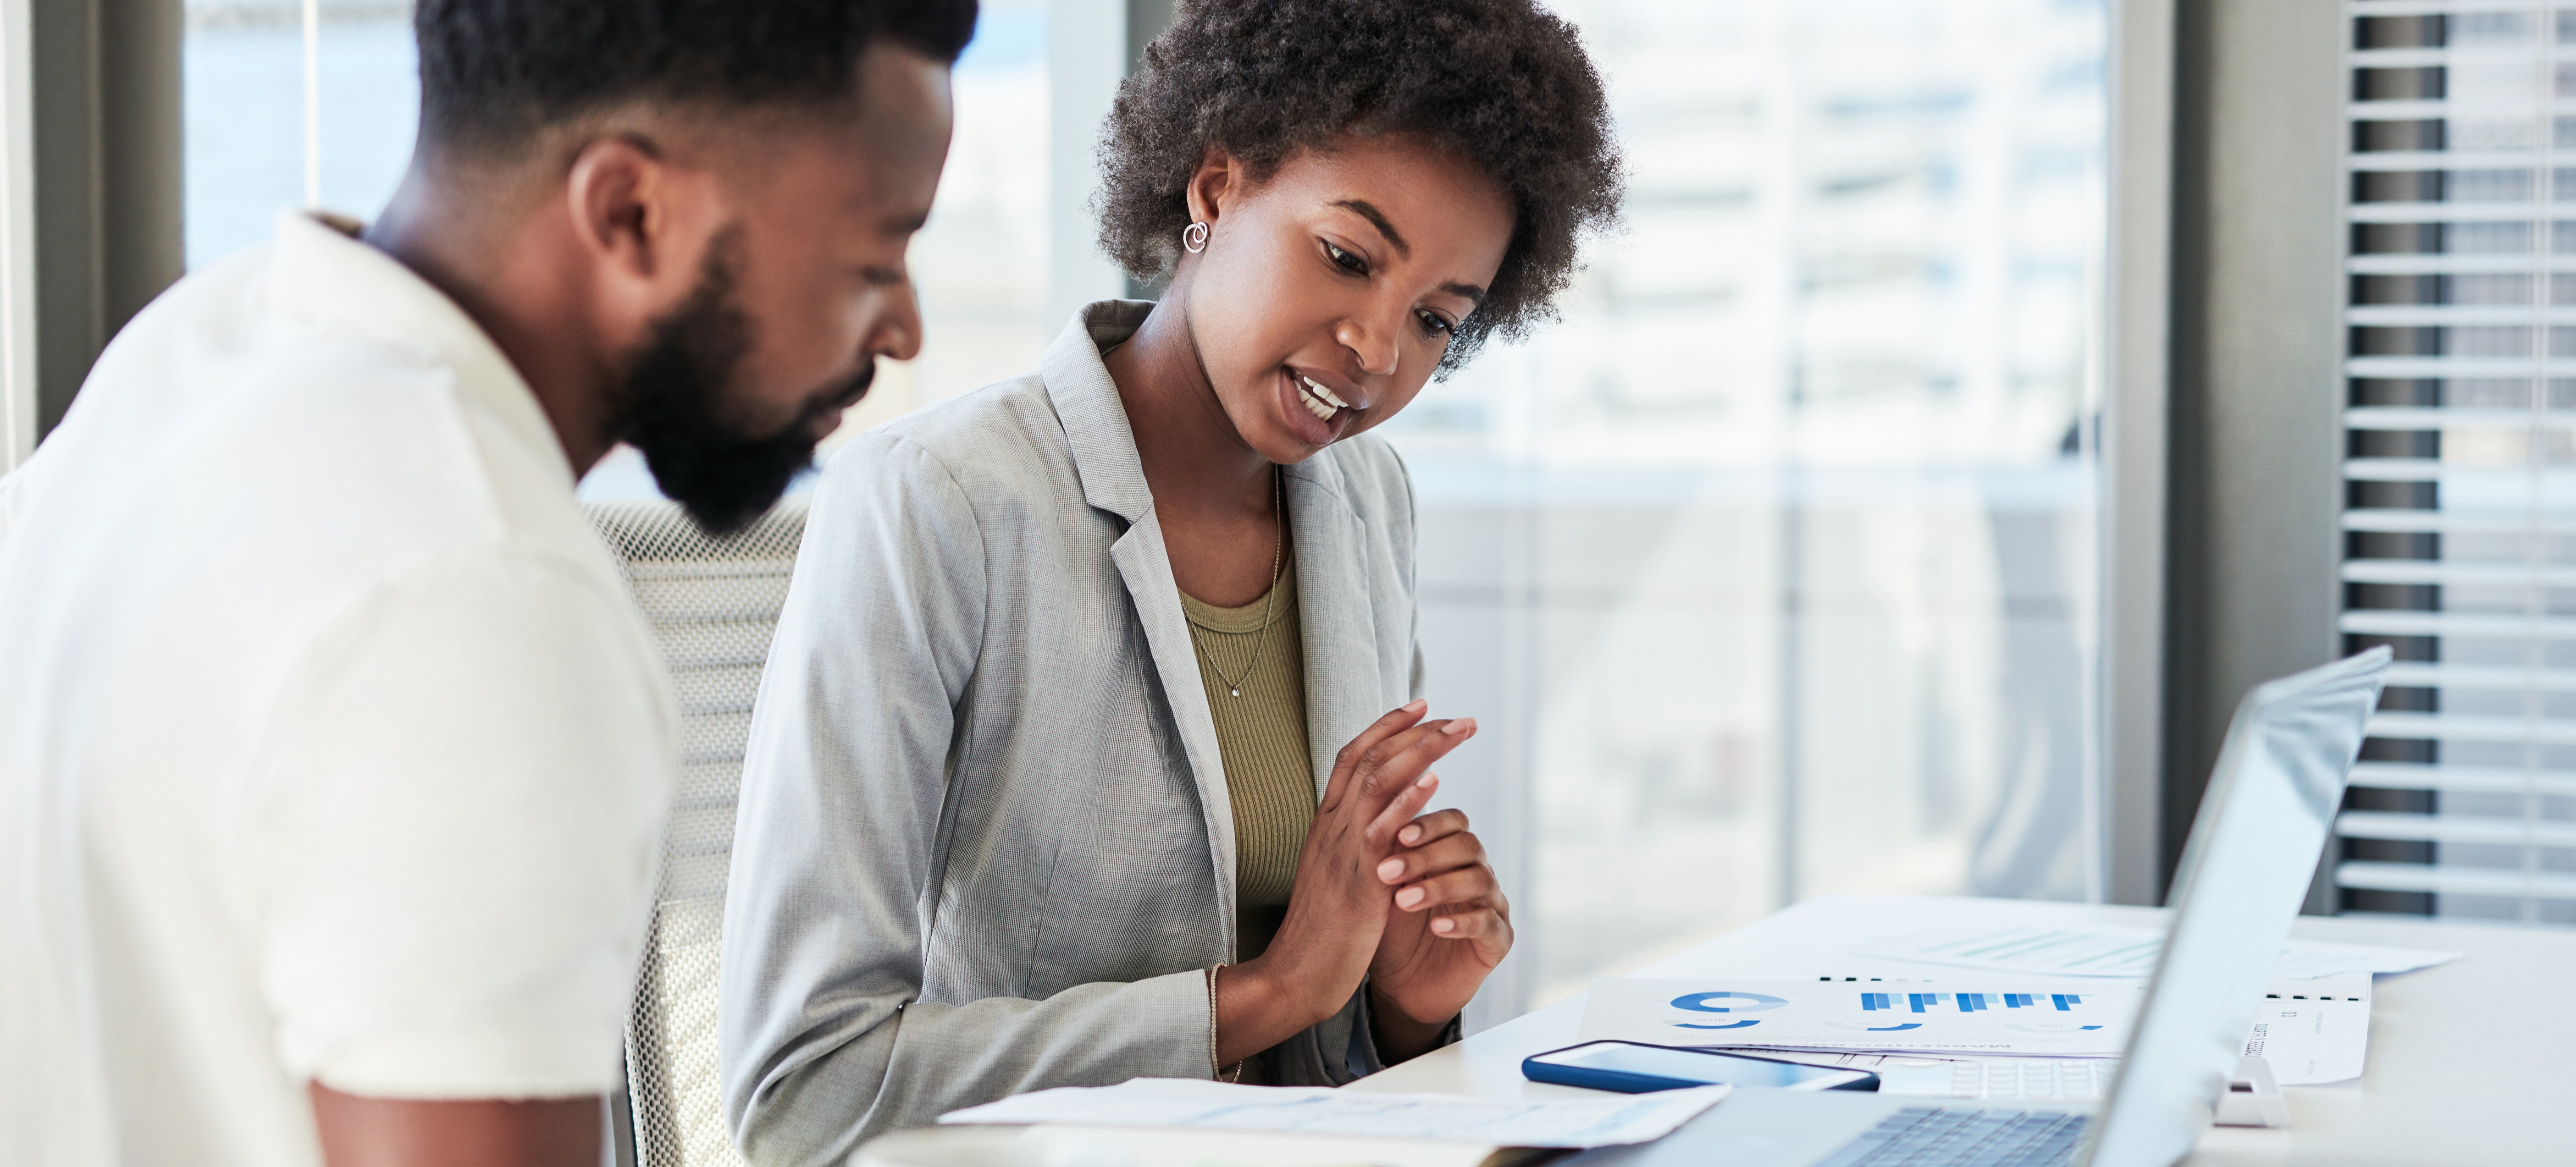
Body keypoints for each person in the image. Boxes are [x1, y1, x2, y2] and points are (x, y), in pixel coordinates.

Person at [0, 2, 973, 1165]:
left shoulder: (201, 351)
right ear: (630, 212)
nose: (905, 329)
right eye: (874, 259)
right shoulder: (478, 589)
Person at [718, 0, 1623, 1159]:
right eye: (1347, 257)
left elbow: (1320, 1074)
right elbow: (808, 1085)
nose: (1376, 351)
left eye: (1437, 321)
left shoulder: (1365, 504)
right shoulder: (937, 501)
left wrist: (1405, 1006)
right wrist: (1269, 990)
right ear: (1212, 188)